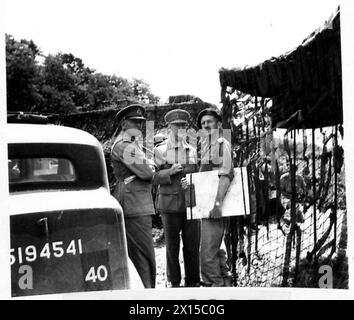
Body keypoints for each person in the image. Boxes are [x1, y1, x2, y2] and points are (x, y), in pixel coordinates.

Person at [110, 104, 156, 288]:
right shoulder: (125, 146)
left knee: (141, 256)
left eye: (140, 122)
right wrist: (150, 165)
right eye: (134, 122)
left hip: (134, 201)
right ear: (123, 124)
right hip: (134, 204)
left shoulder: (130, 144)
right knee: (143, 257)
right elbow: (147, 173)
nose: (138, 126)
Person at [154, 109, 201, 288]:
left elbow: (197, 176)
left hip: (190, 204)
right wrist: (169, 172)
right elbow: (152, 178)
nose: (180, 128)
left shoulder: (193, 151)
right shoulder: (160, 151)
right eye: (176, 125)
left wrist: (190, 182)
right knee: (171, 247)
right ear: (169, 126)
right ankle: (174, 281)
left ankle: (193, 280)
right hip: (169, 205)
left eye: (183, 125)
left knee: (192, 245)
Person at [194, 107, 234, 287]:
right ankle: (225, 286)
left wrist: (218, 205)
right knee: (217, 249)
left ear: (218, 123)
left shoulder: (220, 143)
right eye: (203, 123)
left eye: (209, 121)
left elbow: (226, 175)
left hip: (215, 205)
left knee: (207, 253)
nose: (206, 125)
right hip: (208, 203)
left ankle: (213, 290)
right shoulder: (208, 145)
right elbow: (205, 177)